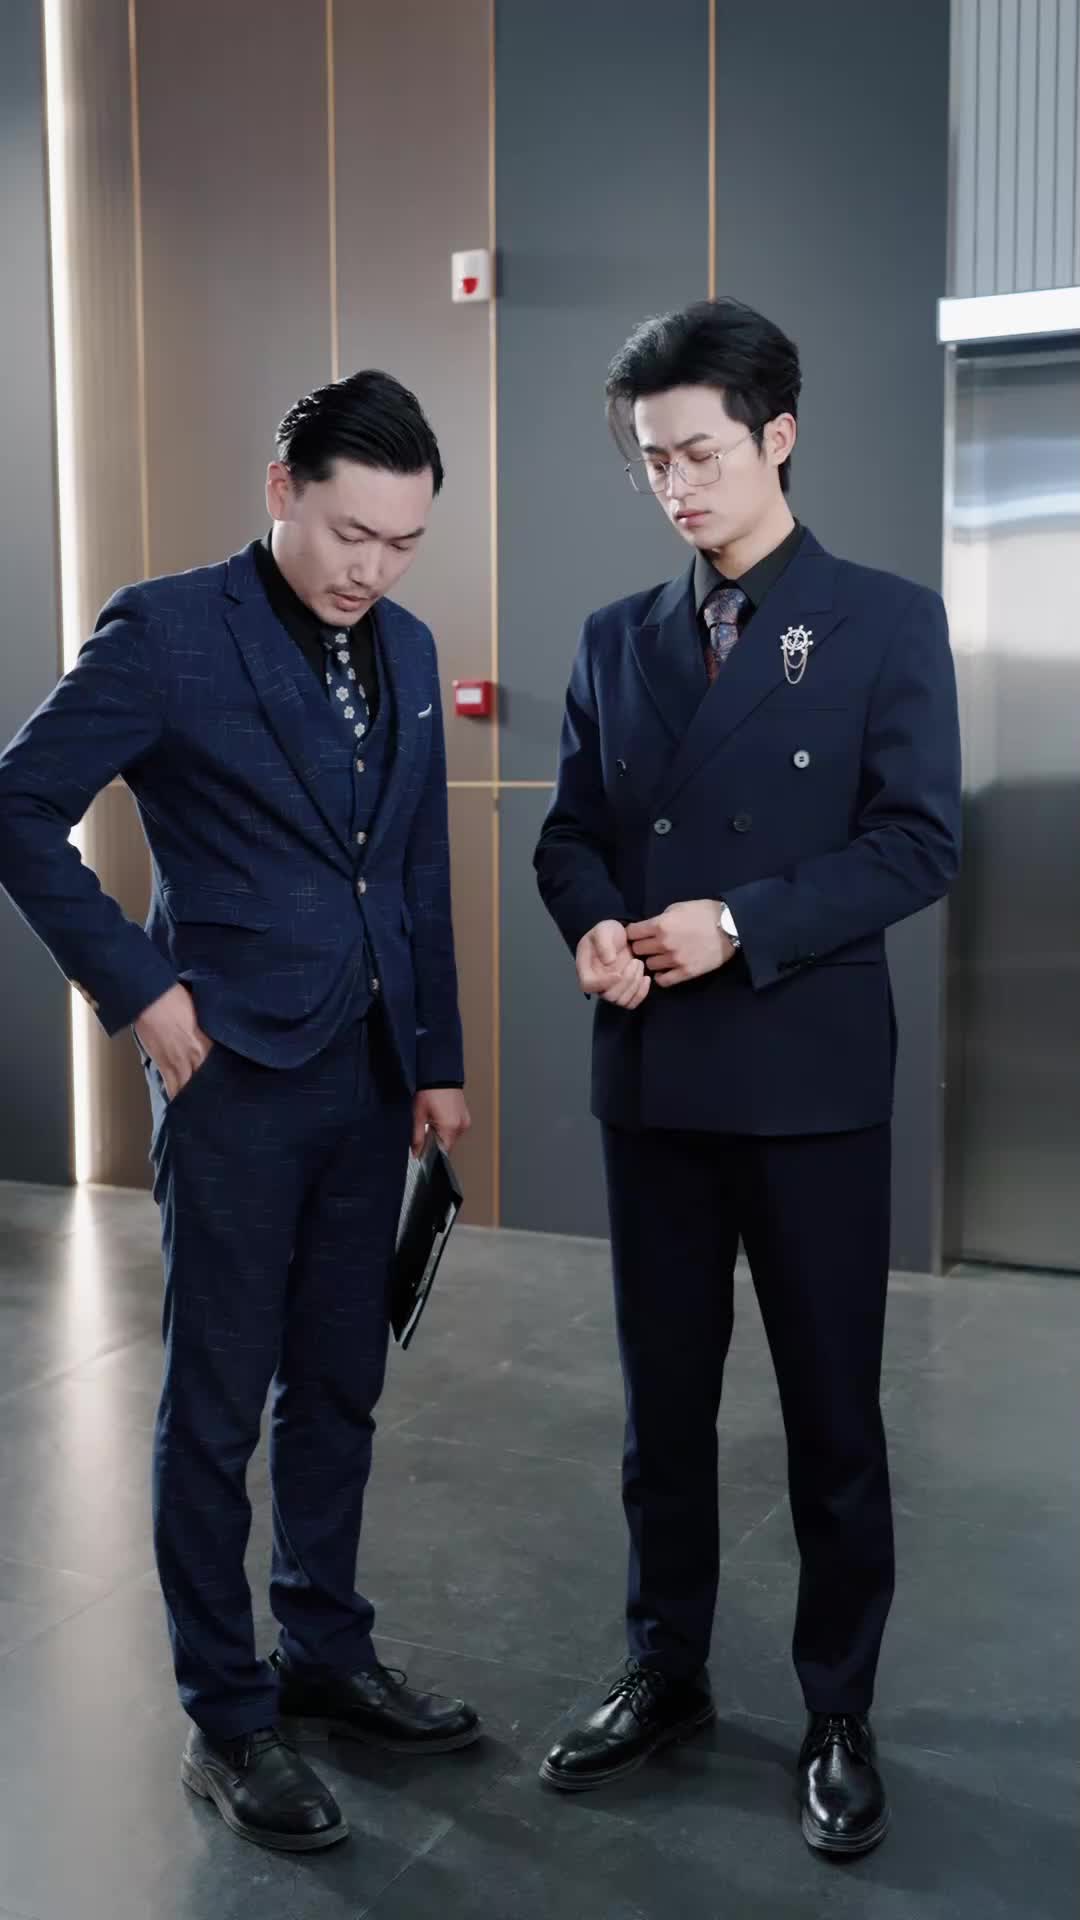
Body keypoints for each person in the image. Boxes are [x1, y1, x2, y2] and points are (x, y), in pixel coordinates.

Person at [0, 371, 479, 1853]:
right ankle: (227, 1714)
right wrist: (143, 990)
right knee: (215, 1410)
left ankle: (324, 1650)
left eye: (402, 543)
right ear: (282, 491)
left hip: (371, 1075)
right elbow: (18, 806)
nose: (371, 569)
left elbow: (413, 867)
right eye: (350, 532)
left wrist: (438, 1057)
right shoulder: (167, 631)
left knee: (340, 1383)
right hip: (231, 1076)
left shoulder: (409, 647)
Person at [533, 299, 960, 1856]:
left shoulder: (882, 621)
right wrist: (592, 922)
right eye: (653, 460)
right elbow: (569, 833)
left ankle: (838, 1707)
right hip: (653, 1079)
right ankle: (667, 1671)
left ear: (780, 436)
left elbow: (918, 843)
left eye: (701, 453)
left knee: (832, 1416)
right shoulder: (617, 638)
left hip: (808, 1084)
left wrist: (741, 923)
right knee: (663, 1410)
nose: (677, 486)